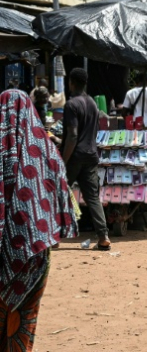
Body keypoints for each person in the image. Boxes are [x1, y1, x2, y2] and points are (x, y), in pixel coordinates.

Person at [0, 89, 78, 350]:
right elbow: (61, 195)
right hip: (36, 253)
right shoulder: (47, 151)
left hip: (3, 252)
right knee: (25, 317)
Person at [62, 68, 111, 251]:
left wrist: (63, 160)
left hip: (75, 156)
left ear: (71, 83)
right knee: (92, 197)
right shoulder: (92, 103)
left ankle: (55, 234)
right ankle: (103, 236)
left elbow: (73, 136)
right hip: (91, 155)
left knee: (60, 193)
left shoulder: (71, 105)